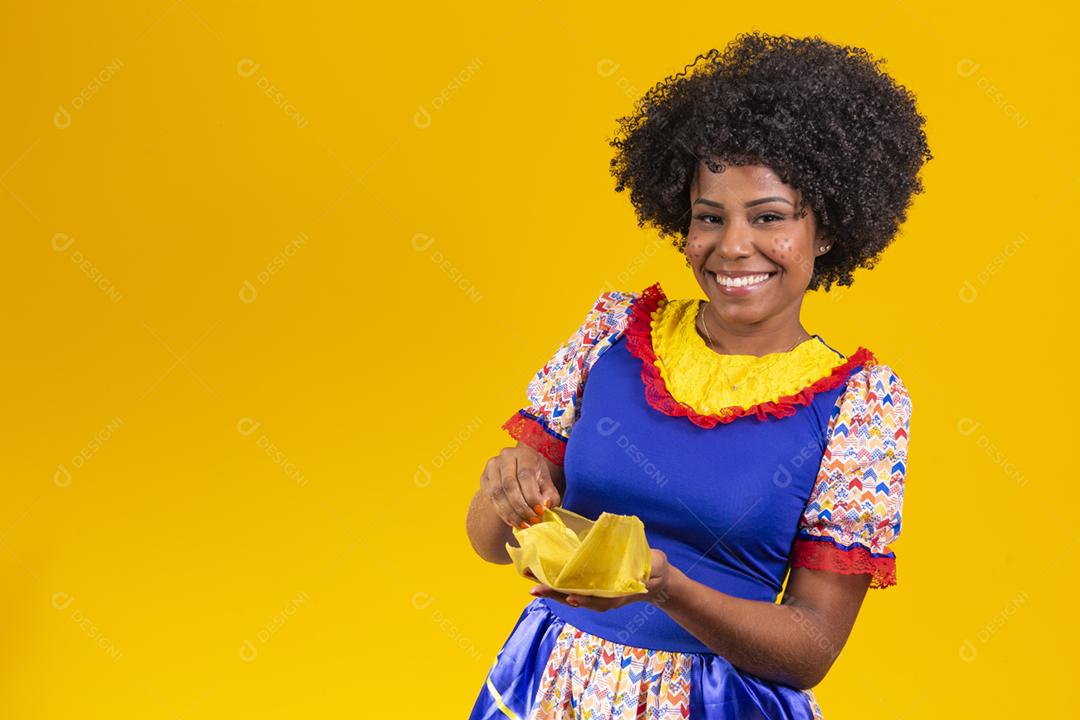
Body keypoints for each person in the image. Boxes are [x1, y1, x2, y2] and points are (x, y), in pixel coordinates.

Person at [465, 31, 931, 719]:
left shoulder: (860, 405)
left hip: (719, 703)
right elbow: (488, 543)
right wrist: (505, 490)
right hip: (548, 684)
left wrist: (663, 586)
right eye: (708, 218)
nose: (732, 246)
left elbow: (811, 649)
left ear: (825, 232)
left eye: (769, 218)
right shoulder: (612, 334)